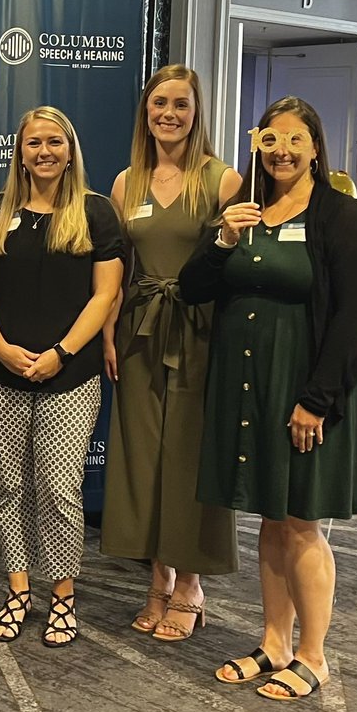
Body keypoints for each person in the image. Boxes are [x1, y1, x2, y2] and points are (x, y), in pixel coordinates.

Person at [180, 96, 357, 700]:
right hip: (250, 388)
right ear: (257, 146)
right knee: (270, 519)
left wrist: (316, 400)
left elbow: (352, 317)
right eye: (271, 140)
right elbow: (193, 289)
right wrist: (220, 239)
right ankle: (273, 642)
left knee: (301, 524)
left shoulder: (342, 217)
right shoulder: (245, 214)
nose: (282, 152)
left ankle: (312, 656)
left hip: (305, 388)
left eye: (295, 140)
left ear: (316, 148)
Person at [0, 106, 123, 646]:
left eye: (55, 142)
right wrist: (2, 349)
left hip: (70, 373)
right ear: (20, 152)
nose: (44, 152)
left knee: (58, 487)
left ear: (70, 149)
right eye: (34, 143)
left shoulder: (97, 213)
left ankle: (63, 594)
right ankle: (17, 589)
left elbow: (106, 295)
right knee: (9, 485)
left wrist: (61, 351)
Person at [99, 66, 243, 640]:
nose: (169, 114)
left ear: (196, 112)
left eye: (181, 105)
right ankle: (157, 578)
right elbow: (118, 269)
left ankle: (190, 584)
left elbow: (234, 267)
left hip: (199, 331)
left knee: (188, 455)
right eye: (160, 103)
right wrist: (109, 332)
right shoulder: (124, 183)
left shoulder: (223, 180)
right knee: (142, 456)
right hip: (138, 330)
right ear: (146, 112)